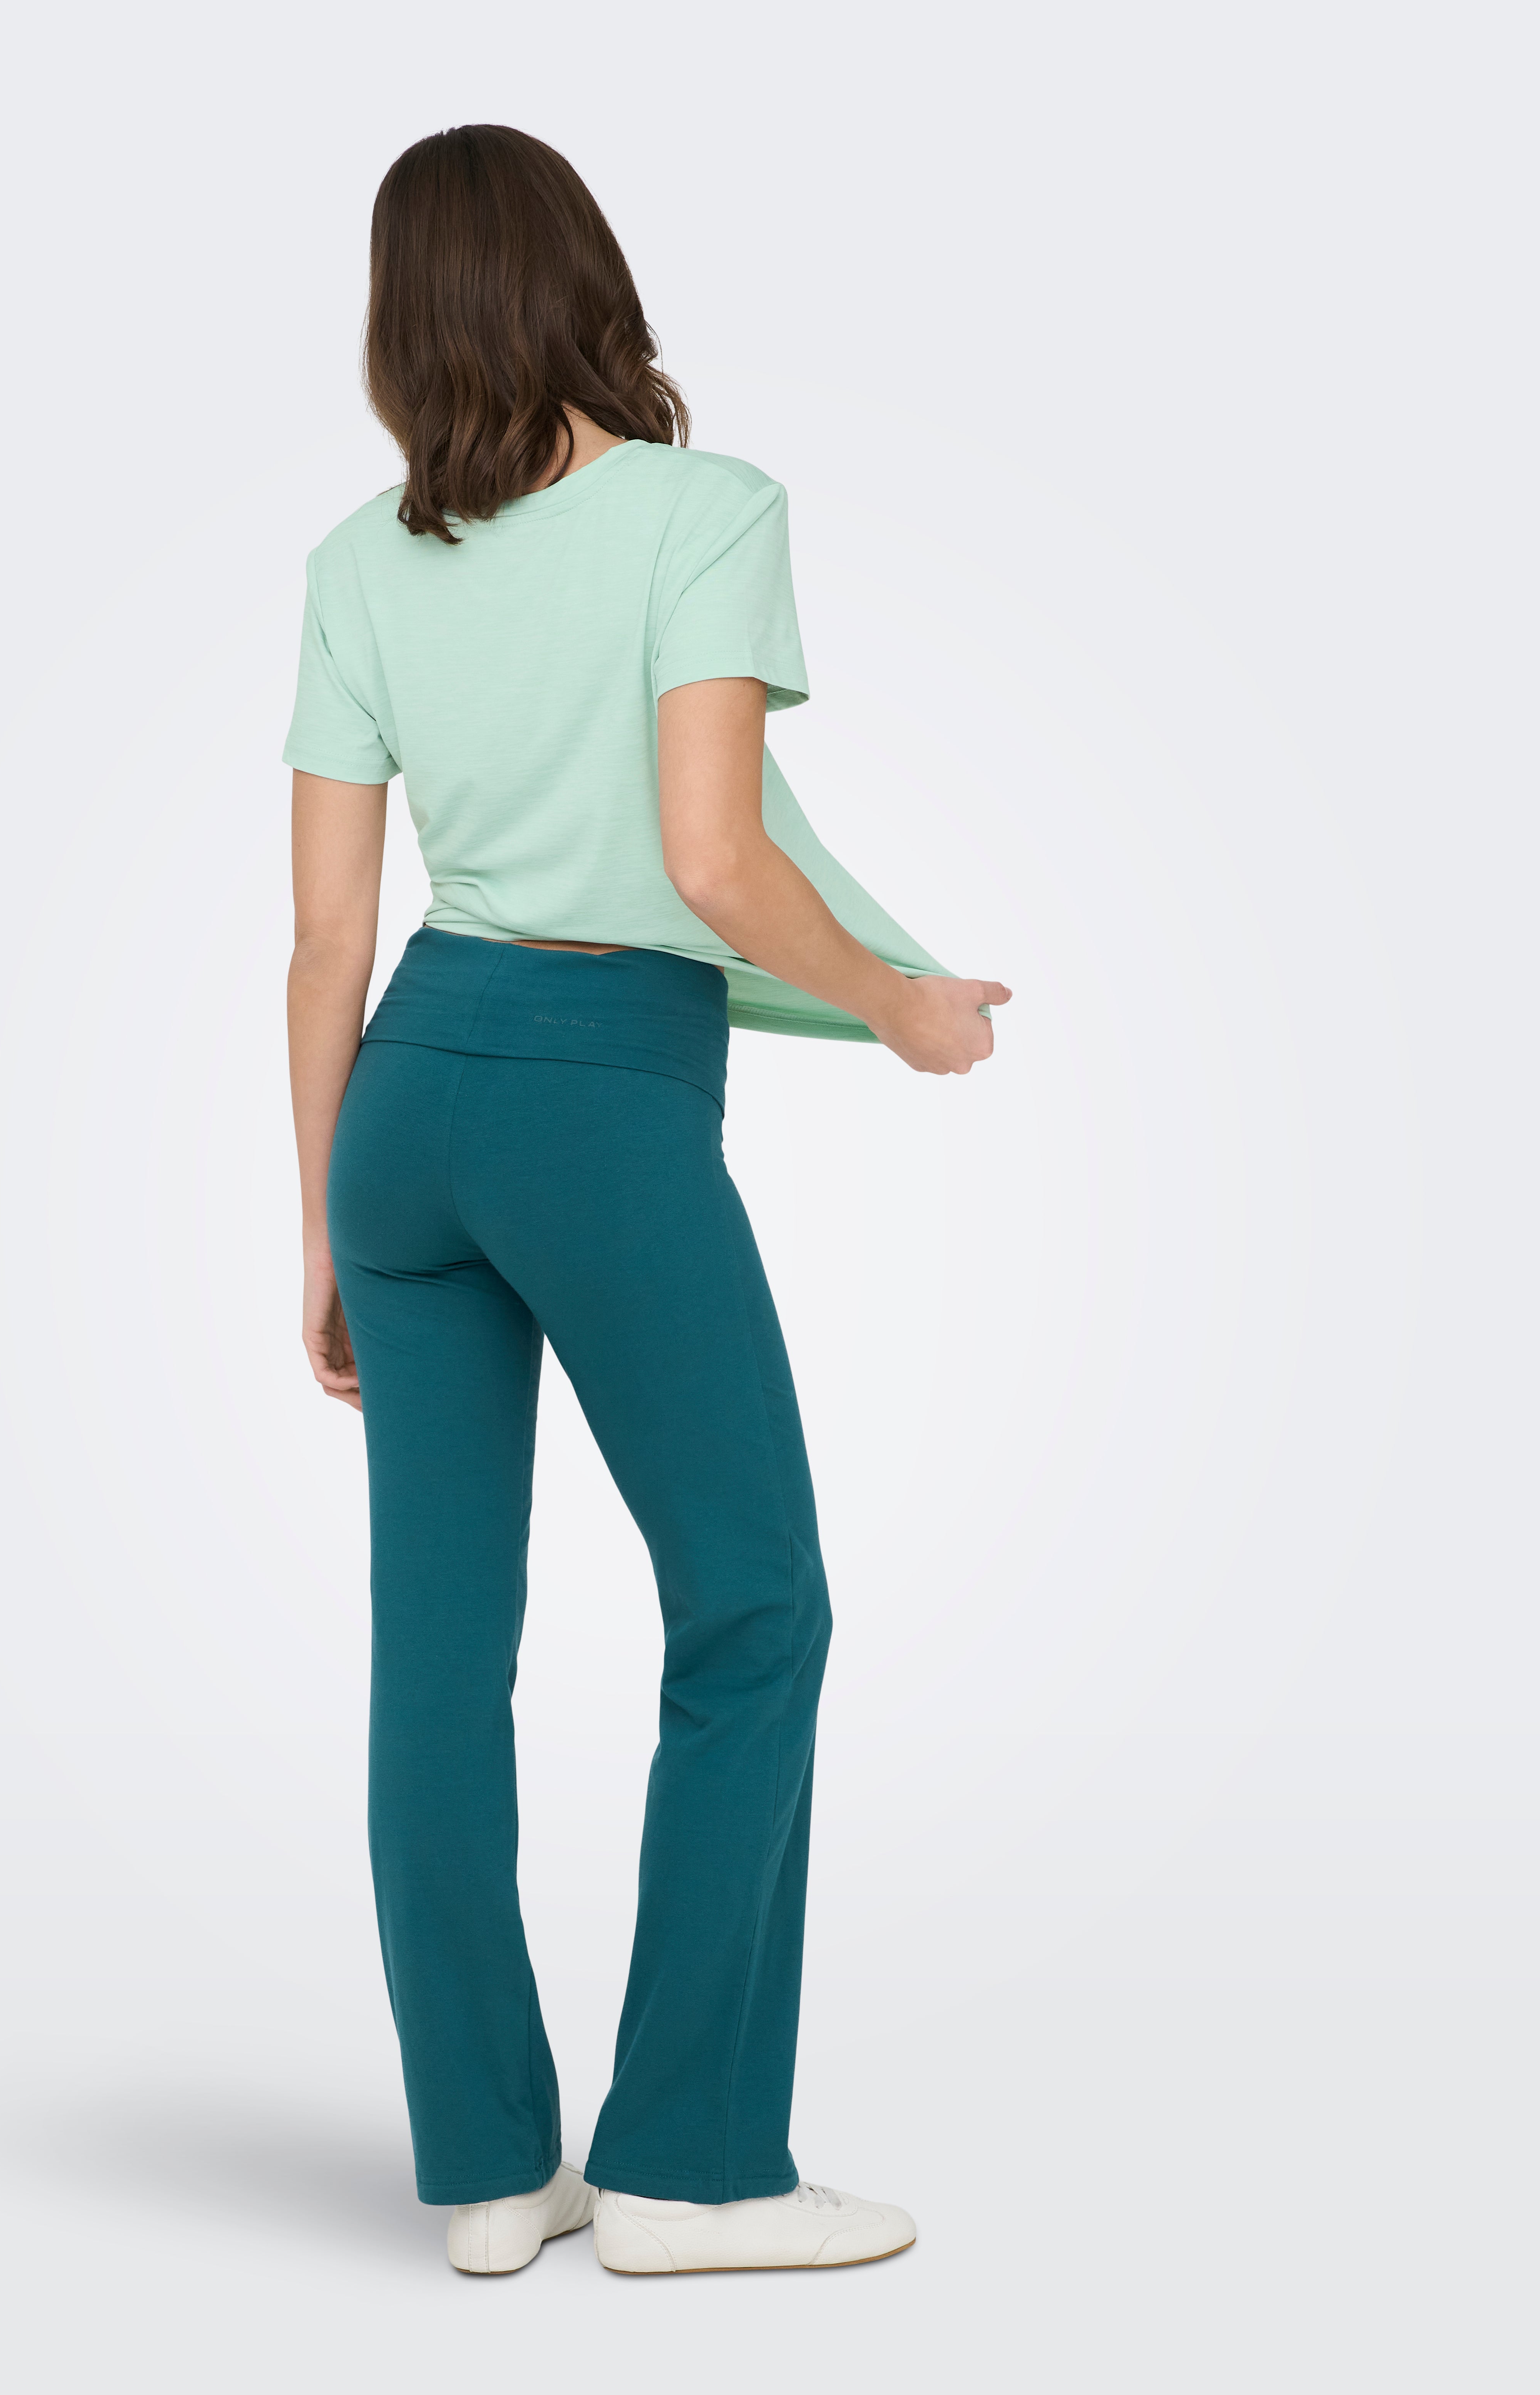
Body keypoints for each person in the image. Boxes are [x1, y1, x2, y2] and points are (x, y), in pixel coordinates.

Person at [284, 123, 1010, 2277]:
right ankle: (693, 2167)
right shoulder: (707, 511)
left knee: (436, 1660)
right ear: (587, 281)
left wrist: (321, 1226)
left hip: (404, 1100)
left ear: (400, 324)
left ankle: (492, 2178)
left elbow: (324, 943)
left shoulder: (356, 561)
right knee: (754, 1606)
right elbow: (710, 861)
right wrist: (897, 1003)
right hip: (595, 1093)